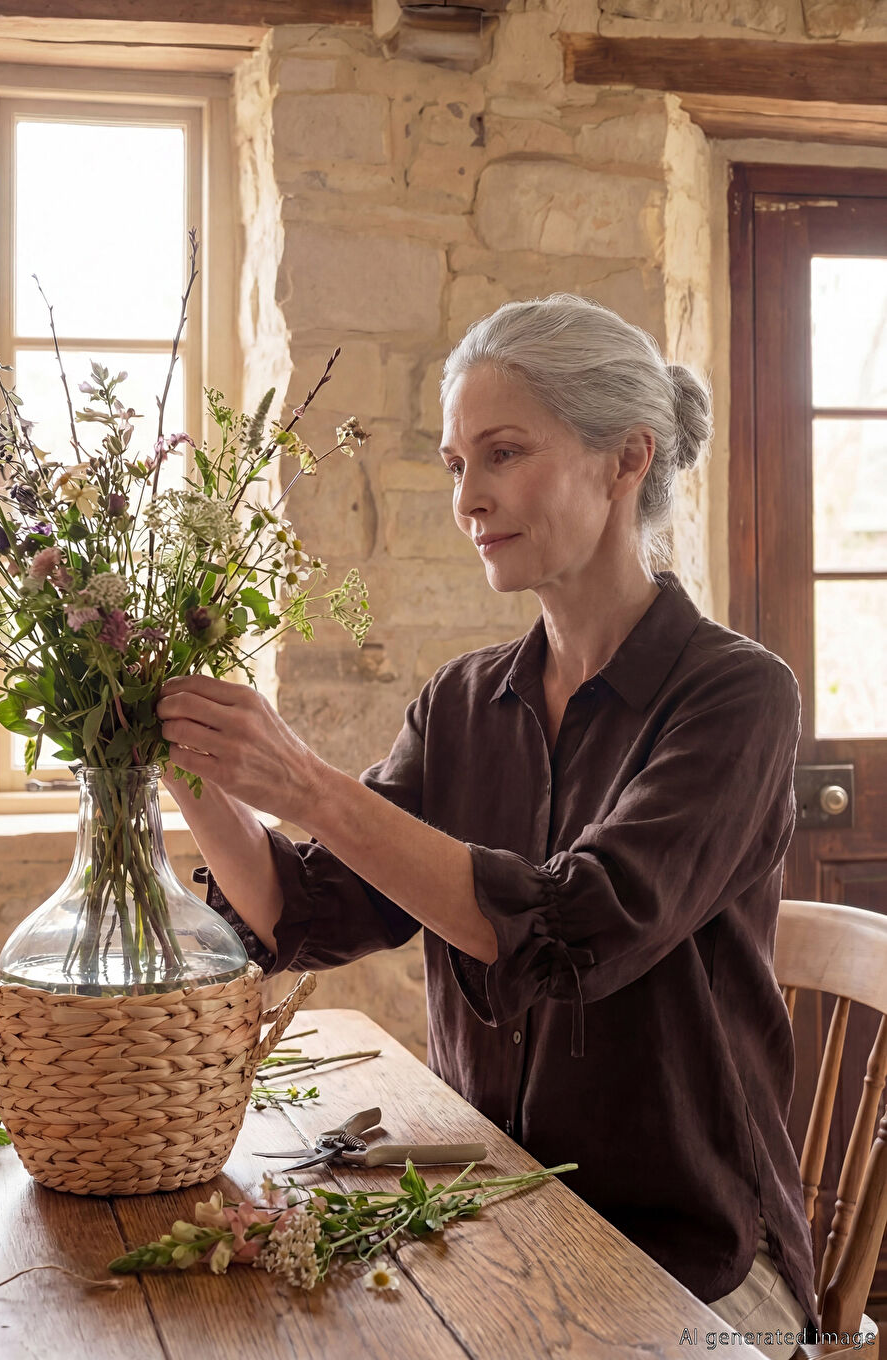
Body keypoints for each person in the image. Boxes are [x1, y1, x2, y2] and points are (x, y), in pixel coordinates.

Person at [156, 296, 818, 1356]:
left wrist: (318, 786)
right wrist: (188, 760)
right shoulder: (461, 704)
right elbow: (310, 908)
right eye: (457, 462)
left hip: (694, 1260)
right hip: (501, 1214)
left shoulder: (737, 697)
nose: (468, 496)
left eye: (502, 453)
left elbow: (574, 929)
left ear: (625, 460)